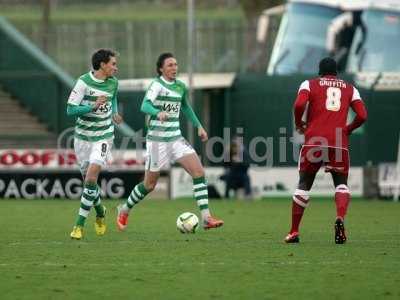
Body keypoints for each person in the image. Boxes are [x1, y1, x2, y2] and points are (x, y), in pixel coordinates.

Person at [116, 52, 224, 231]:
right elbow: (145, 105)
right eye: (170, 65)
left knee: (199, 172)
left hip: (176, 139)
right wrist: (157, 112)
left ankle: (206, 218)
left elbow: (186, 107)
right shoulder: (156, 85)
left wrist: (199, 126)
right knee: (149, 185)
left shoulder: (180, 86)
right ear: (161, 69)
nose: (174, 68)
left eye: (175, 64)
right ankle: (125, 209)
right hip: (157, 142)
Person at [285, 57, 367, 244]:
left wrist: (299, 123)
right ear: (337, 72)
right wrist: (348, 129)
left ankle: (294, 232)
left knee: (304, 183)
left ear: (319, 71)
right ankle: (340, 217)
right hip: (338, 141)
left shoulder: (309, 84)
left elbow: (299, 105)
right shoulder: (350, 88)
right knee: (341, 184)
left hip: (314, 139)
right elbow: (363, 115)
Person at [67, 49, 123, 240]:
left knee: (91, 177)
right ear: (102, 64)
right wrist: (92, 106)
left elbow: (113, 96)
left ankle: (78, 226)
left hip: (103, 137)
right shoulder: (83, 82)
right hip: (82, 138)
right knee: (89, 184)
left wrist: (114, 112)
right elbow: (70, 110)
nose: (116, 67)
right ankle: (100, 211)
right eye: (113, 64)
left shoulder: (114, 83)